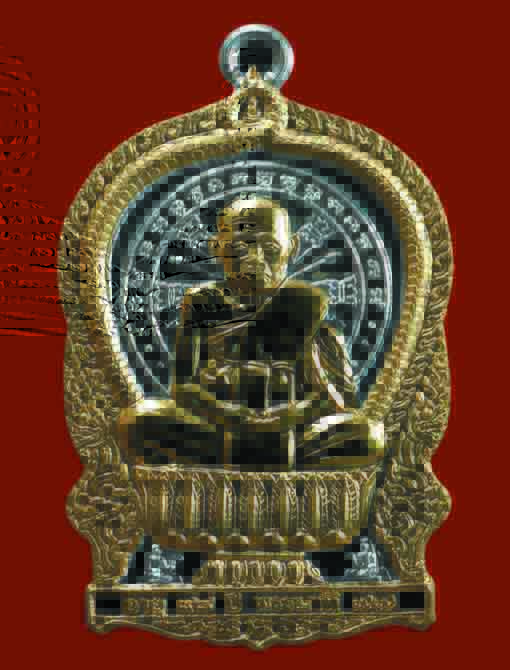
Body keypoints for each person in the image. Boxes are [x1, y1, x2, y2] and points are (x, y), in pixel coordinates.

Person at [119, 196, 384, 471]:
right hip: (220, 429)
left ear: (291, 247)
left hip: (293, 434)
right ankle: (247, 455)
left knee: (366, 435)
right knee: (139, 421)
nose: (255, 259)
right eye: (239, 248)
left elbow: (335, 400)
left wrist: (283, 417)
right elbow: (184, 389)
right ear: (217, 248)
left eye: (269, 248)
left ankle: (252, 456)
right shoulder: (202, 303)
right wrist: (237, 417)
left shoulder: (306, 304)